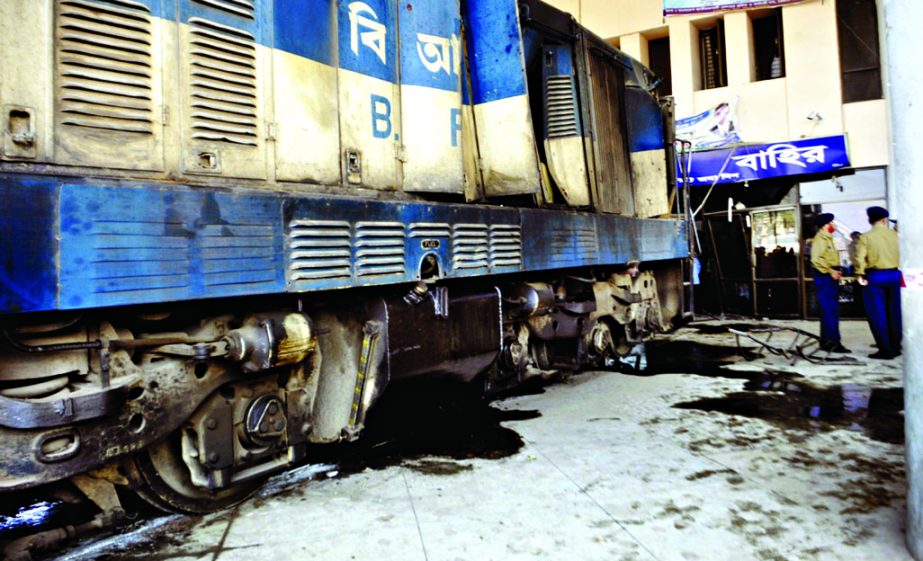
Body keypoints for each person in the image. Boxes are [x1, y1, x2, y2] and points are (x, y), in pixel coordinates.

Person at [855, 206, 902, 359]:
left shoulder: (866, 237)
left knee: (877, 314)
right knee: (894, 313)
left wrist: (859, 275)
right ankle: (896, 346)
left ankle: (885, 350)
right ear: (884, 220)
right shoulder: (895, 235)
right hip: (895, 275)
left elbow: (860, 259)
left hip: (875, 276)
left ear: (870, 220)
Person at [810, 213, 850, 353]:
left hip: (828, 276)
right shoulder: (821, 239)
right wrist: (830, 271)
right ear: (826, 224)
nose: (834, 225)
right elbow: (815, 259)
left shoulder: (828, 238)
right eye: (832, 223)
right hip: (824, 277)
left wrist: (835, 270)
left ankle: (827, 341)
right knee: (829, 311)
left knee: (830, 310)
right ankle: (832, 343)